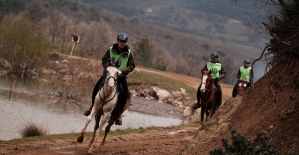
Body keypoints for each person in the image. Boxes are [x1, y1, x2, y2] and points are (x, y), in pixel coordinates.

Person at [83, 33, 135, 125]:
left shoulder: (129, 53)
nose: (121, 43)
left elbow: (132, 65)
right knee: (96, 87)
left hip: (121, 77)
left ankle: (118, 115)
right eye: (120, 41)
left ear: (126, 42)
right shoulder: (111, 50)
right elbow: (104, 60)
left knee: (125, 95)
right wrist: (108, 68)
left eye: (123, 42)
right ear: (117, 41)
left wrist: (123, 71)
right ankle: (92, 107)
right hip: (109, 75)